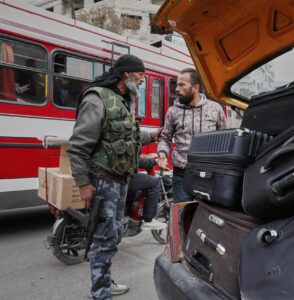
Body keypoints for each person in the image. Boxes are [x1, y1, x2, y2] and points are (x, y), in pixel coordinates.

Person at [67, 54, 158, 300]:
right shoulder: (97, 98)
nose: (143, 80)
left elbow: (127, 136)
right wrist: (84, 184)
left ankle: (104, 281)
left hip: (121, 179)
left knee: (115, 233)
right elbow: (77, 147)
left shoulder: (123, 99)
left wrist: (154, 135)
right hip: (103, 179)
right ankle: (100, 292)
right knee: (105, 236)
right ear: (126, 74)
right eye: (140, 75)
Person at [157, 68, 229, 202]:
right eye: (177, 84)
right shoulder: (172, 111)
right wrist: (162, 153)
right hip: (181, 174)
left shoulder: (215, 108)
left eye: (181, 84)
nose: (176, 89)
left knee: (207, 213)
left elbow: (225, 137)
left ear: (195, 87)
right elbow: (165, 138)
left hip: (209, 173)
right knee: (182, 213)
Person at [125, 156, 167, 236]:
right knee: (154, 183)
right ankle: (148, 220)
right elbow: (132, 159)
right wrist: (154, 161)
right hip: (122, 176)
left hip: (109, 174)